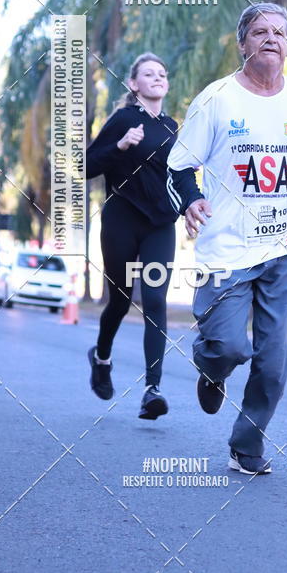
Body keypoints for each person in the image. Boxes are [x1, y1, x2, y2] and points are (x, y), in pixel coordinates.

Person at [167, 3, 287, 474]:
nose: (270, 38)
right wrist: (191, 201)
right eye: (259, 31)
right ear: (242, 43)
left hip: (285, 245)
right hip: (226, 248)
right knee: (229, 348)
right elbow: (179, 164)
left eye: (279, 32)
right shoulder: (217, 99)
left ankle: (247, 444)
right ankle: (209, 365)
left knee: (274, 361)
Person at [86, 52, 180, 420]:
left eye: (162, 73)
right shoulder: (124, 119)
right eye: (148, 74)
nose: (157, 78)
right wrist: (120, 146)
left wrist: (191, 203)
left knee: (155, 301)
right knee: (121, 301)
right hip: (122, 219)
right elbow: (86, 166)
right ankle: (101, 357)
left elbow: (178, 177)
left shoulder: (172, 127)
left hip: (159, 225)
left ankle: (152, 390)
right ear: (134, 84)